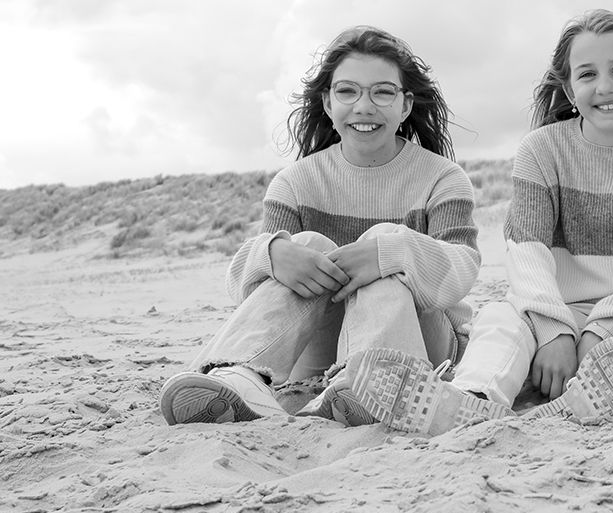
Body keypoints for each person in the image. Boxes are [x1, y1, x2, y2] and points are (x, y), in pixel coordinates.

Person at [343, 9, 613, 436]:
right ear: (569, 88)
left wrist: (598, 334)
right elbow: (526, 252)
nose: (604, 87)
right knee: (498, 316)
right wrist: (555, 332)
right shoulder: (541, 150)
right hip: (547, 308)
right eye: (587, 75)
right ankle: (473, 399)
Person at [159, 27, 480, 427]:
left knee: (385, 241)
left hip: (418, 346)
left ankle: (371, 383)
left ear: (405, 104)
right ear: (328, 102)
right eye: (348, 92)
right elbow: (246, 293)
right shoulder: (295, 183)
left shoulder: (442, 177)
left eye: (382, 92)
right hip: (320, 351)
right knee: (299, 244)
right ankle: (240, 376)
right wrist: (272, 257)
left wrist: (387, 255)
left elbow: (463, 268)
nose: (364, 106)